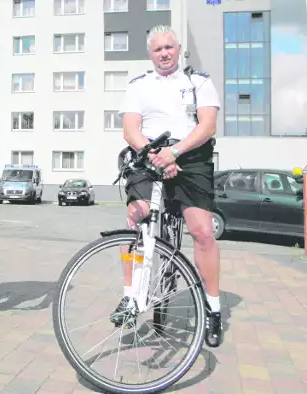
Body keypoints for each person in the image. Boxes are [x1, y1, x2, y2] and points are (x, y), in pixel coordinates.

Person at [112, 25, 223, 348]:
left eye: (169, 47)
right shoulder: (138, 86)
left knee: (202, 231)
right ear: (151, 53)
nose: (164, 53)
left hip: (190, 157)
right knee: (135, 217)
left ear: (178, 49)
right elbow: (130, 131)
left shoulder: (198, 82)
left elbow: (208, 125)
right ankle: (129, 296)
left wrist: (175, 152)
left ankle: (213, 309)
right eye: (158, 49)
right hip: (149, 155)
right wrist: (156, 155)